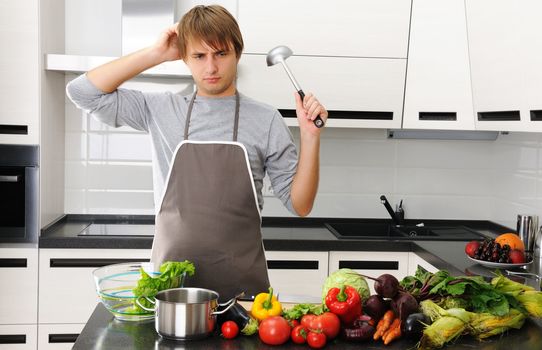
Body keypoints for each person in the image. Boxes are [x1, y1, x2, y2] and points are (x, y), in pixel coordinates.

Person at [66, 5, 328, 300]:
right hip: (171, 293)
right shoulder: (162, 109)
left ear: (237, 53)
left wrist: (310, 136)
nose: (211, 68)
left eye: (221, 53)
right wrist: (156, 54)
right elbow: (82, 92)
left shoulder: (266, 119)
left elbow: (301, 205)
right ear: (184, 58)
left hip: (243, 295)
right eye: (199, 56)